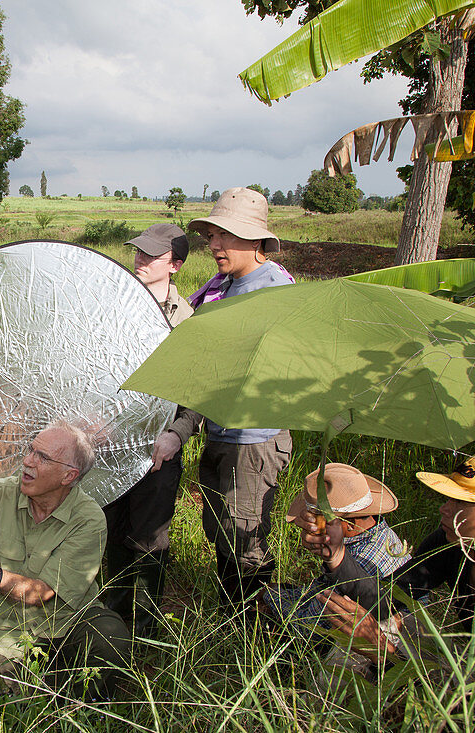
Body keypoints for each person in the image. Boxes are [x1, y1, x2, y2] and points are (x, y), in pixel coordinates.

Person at [0, 223, 193, 635]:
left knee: (143, 543)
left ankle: (139, 631)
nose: (140, 259)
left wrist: (176, 433)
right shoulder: (109, 300)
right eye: (138, 251)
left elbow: (197, 390)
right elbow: (55, 327)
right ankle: (77, 614)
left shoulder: (186, 319)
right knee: (91, 531)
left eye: (152, 256)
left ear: (174, 265)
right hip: (99, 450)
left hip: (156, 453)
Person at [0, 420, 131, 715]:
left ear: (69, 475)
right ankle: (24, 681)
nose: (27, 461)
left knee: (110, 635)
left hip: (68, 622)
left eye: (43, 457)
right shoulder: (2, 493)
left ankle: (79, 709)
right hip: (6, 628)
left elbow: (41, 593)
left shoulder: (89, 519)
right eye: (30, 449)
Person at [151, 187, 295, 613]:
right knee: (221, 528)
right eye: (211, 236)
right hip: (220, 429)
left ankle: (252, 627)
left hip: (253, 436)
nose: (213, 245)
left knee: (246, 535)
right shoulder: (223, 285)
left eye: (222, 236)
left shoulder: (273, 289)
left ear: (254, 240)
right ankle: (233, 616)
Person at [299, 450, 475, 663]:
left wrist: (382, 651)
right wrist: (337, 555)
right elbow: (391, 598)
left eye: (459, 502)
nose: (444, 508)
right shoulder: (450, 546)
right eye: (448, 498)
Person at [261, 463, 409, 630]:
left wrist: (269, 596)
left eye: (318, 518)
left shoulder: (356, 569)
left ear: (351, 524)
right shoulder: (381, 533)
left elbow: (308, 629)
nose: (308, 525)